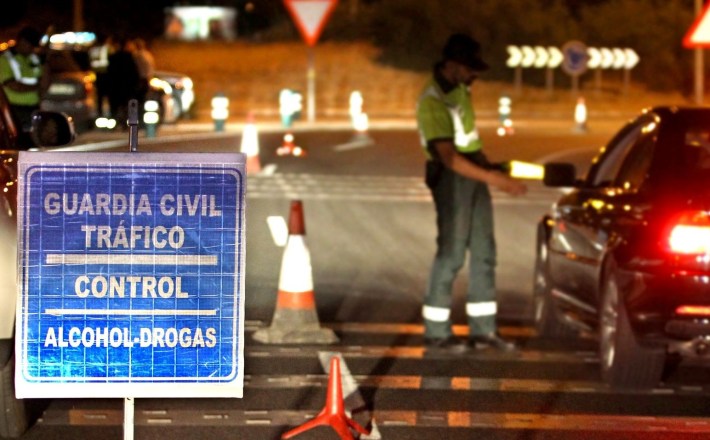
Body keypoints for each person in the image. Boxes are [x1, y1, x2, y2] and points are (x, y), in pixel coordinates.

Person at [416, 33, 527, 354]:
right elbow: (449, 158)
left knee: (484, 252)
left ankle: (484, 331)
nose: (474, 75)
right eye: (469, 68)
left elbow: (467, 140)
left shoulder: (460, 89)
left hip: (474, 171)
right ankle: (436, 332)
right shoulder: (433, 101)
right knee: (451, 253)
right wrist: (497, 180)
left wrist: (489, 168)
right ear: (452, 65)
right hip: (453, 179)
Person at [0, 25, 47, 148]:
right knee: (18, 146)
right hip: (15, 111)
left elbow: (45, 81)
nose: (32, 49)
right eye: (30, 45)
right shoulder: (4, 60)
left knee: (33, 146)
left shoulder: (34, 58)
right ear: (22, 41)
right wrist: (38, 87)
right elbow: (14, 86)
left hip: (33, 109)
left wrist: (45, 62)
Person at [106, 37, 141, 127]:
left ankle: (116, 122)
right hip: (126, 85)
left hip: (116, 85)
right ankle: (124, 122)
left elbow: (109, 72)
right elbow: (134, 72)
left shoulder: (113, 57)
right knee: (126, 104)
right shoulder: (128, 57)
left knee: (116, 105)